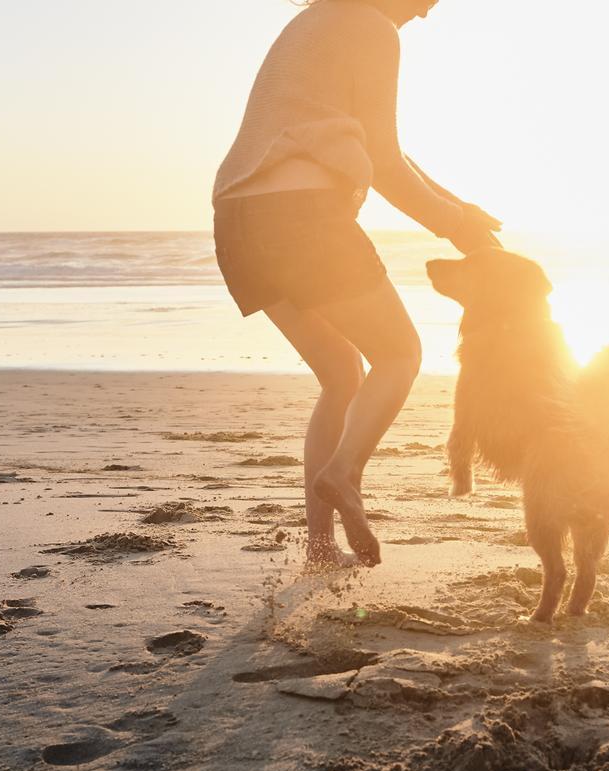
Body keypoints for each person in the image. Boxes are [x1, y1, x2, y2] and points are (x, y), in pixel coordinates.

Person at [213, 0, 500, 568]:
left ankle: (320, 549)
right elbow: (386, 163)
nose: (426, 16)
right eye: (427, 2)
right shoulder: (371, 27)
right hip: (300, 217)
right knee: (400, 354)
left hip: (236, 221)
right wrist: (458, 228)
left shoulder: (315, 21)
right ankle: (343, 472)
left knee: (342, 373)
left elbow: (378, 144)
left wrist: (457, 205)